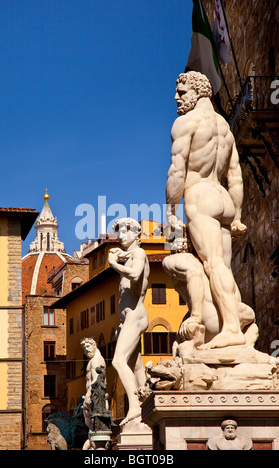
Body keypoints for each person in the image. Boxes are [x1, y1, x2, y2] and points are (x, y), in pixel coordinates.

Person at [166, 70, 254, 350]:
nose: (177, 98)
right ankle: (234, 324)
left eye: (182, 92)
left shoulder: (186, 123)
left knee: (214, 265)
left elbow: (177, 170)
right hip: (224, 199)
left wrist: (170, 209)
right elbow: (235, 175)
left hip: (200, 196)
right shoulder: (225, 128)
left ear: (199, 92)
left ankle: (230, 329)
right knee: (221, 267)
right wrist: (237, 215)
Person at [108, 218, 150, 425]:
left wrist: (114, 264)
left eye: (125, 231)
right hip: (127, 319)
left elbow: (135, 275)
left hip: (135, 315)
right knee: (135, 367)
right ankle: (146, 406)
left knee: (118, 361)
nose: (121, 236)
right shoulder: (129, 257)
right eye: (119, 233)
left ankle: (134, 407)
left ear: (136, 234)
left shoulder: (139, 254)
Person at [80, 337, 106, 428]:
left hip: (95, 397)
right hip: (92, 397)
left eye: (88, 346)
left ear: (94, 345)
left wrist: (88, 395)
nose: (86, 349)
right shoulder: (92, 360)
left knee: (95, 427)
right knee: (92, 427)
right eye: (84, 348)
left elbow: (96, 380)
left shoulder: (96, 360)